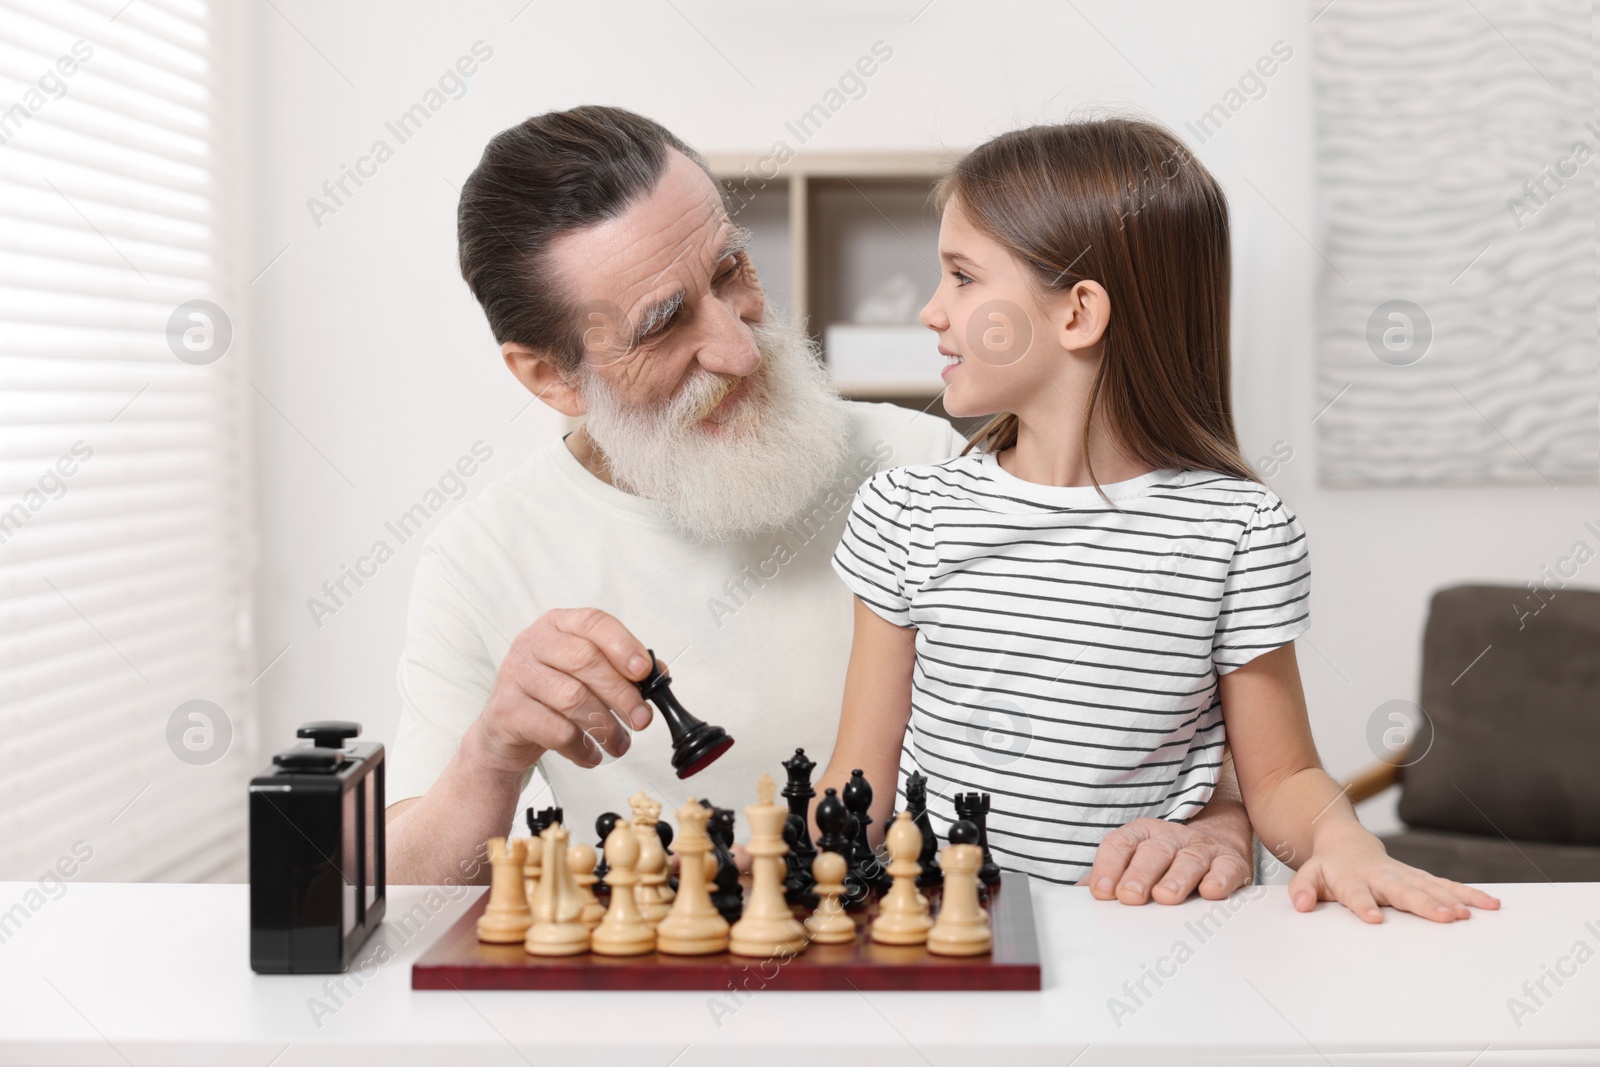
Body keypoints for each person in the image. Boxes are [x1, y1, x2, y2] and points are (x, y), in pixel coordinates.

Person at [385, 105, 1257, 905]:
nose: (737, 346)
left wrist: (1218, 825)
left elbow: (1162, 736)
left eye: (731, 270)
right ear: (549, 375)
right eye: (663, 325)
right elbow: (402, 891)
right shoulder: (480, 558)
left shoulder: (931, 472)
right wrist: (492, 753)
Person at [818, 117, 1502, 922]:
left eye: (963, 277)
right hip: (948, 942)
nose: (932, 310)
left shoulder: (1239, 532)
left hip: (1145, 945)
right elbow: (854, 779)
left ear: (1077, 314)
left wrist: (1346, 843)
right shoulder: (905, 512)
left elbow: (1281, 779)